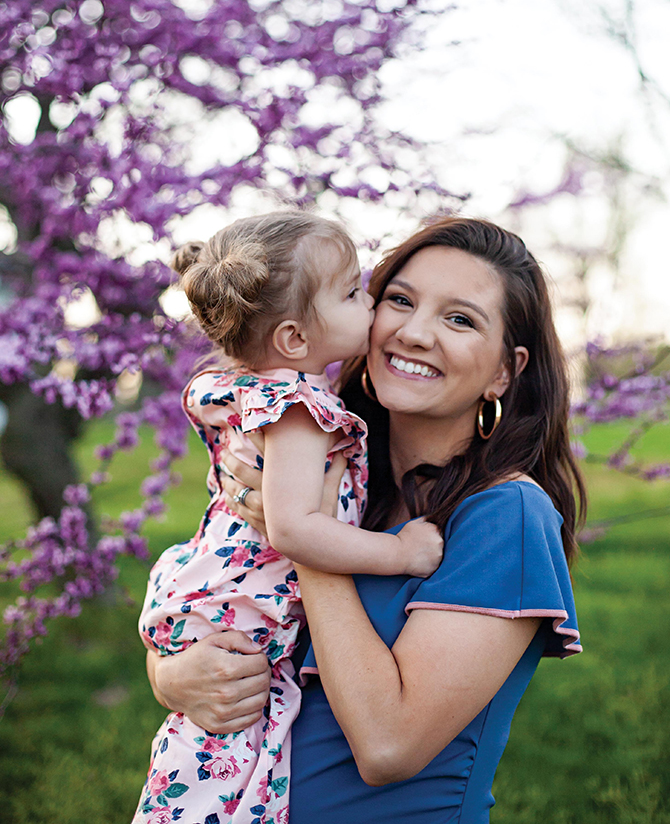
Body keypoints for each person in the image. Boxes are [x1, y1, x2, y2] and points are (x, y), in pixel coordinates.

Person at [145, 216, 586, 824]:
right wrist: (173, 676)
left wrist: (306, 540)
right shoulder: (339, 471)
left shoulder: (504, 515)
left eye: (460, 320)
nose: (414, 332)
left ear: (504, 372)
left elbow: (388, 747)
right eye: (399, 300)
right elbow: (221, 591)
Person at [133, 210, 443, 824]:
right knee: (226, 776)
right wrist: (401, 553)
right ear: (295, 339)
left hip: (217, 595)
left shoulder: (251, 388)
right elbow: (295, 528)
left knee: (206, 764)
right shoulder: (298, 409)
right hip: (249, 613)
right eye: (352, 293)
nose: (370, 302)